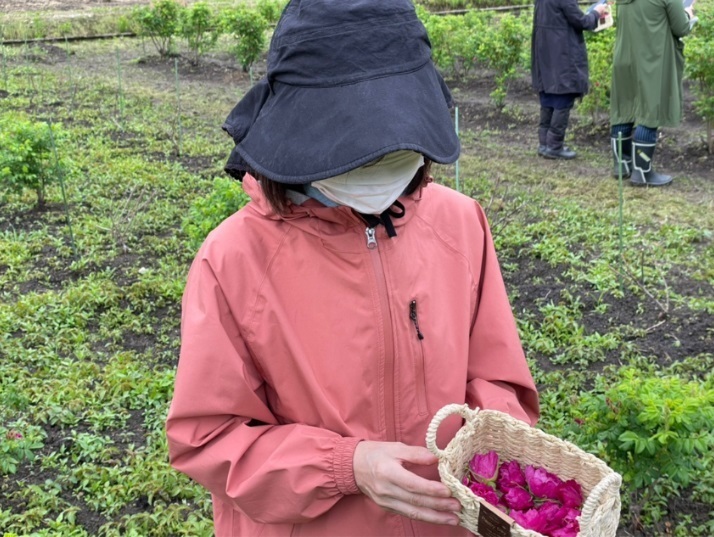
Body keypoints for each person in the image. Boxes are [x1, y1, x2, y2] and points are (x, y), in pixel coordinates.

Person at [165, 1, 539, 536]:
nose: (380, 165)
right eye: (356, 152)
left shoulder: (459, 224)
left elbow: (500, 378)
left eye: (395, 146)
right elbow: (209, 436)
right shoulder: (233, 260)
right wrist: (345, 466)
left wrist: (483, 446)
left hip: (448, 521)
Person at [610, 0, 697, 186]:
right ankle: (642, 173)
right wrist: (688, 13)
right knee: (650, 112)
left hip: (624, 57)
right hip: (651, 59)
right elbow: (681, 28)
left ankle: (622, 165)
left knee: (624, 109)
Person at [531, 0, 608, 159]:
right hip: (562, 53)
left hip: (546, 51)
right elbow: (582, 22)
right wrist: (596, 12)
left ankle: (544, 144)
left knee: (548, 98)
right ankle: (554, 146)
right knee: (562, 99)